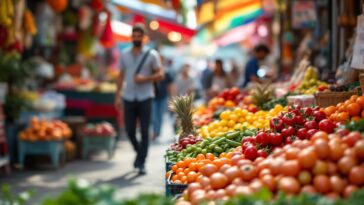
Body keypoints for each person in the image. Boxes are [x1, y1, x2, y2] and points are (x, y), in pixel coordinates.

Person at [114, 24, 164, 175]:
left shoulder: (152, 54)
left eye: (139, 36)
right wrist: (117, 95)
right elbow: (121, 75)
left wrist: (145, 79)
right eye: (134, 36)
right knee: (129, 129)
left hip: (145, 96)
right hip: (128, 96)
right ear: (131, 37)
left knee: (144, 130)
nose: (136, 39)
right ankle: (139, 153)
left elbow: (160, 74)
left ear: (144, 37)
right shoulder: (124, 54)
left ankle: (141, 162)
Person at [151, 58, 175, 141]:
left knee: (160, 116)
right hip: (152, 97)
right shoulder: (151, 71)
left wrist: (172, 98)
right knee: (153, 116)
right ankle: (154, 132)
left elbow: (170, 86)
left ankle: (157, 132)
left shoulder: (167, 72)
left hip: (163, 97)